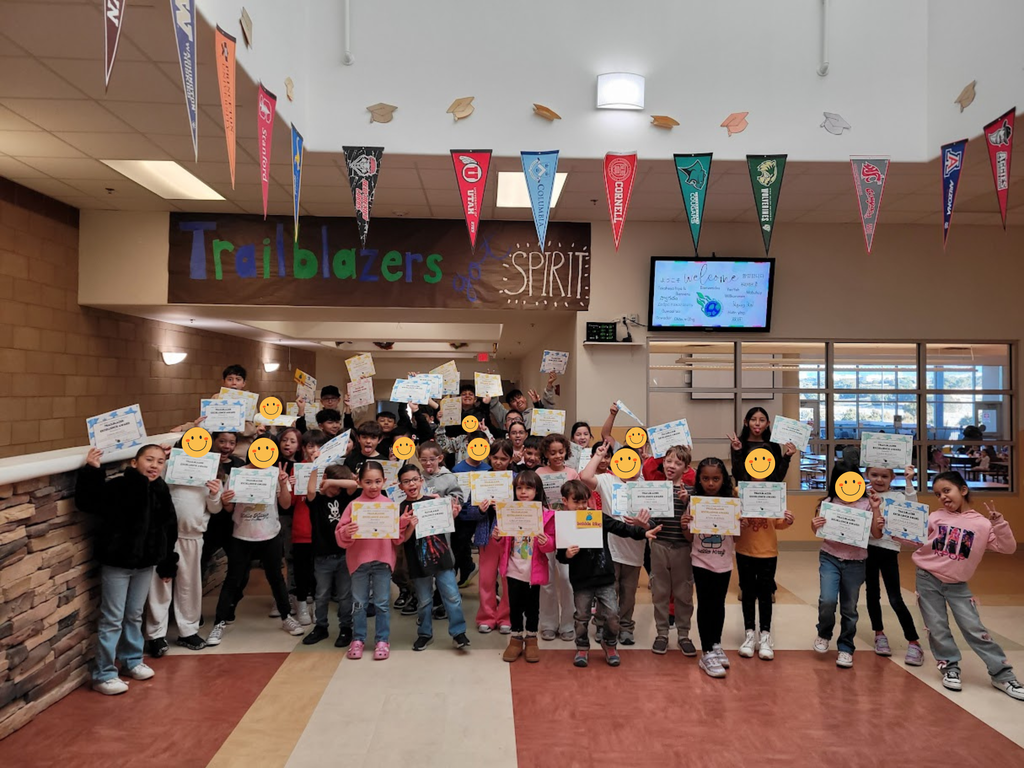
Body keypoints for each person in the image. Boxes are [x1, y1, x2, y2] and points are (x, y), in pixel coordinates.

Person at [905, 472, 1022, 700]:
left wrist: (999, 523)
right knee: (937, 628)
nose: (942, 497)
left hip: (958, 585)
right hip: (928, 579)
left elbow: (1008, 548)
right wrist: (893, 528)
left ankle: (1003, 675)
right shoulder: (935, 517)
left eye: (947, 491)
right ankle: (950, 667)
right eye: (938, 494)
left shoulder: (982, 524)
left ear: (963, 490)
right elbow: (914, 539)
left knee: (975, 629)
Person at [76, 445, 178, 695]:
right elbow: (88, 501)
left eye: (160, 461)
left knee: (133, 614)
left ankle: (132, 660)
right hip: (117, 562)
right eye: (149, 460)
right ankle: (103, 674)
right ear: (135, 462)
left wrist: (166, 561)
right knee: (112, 618)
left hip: (145, 564)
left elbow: (168, 526)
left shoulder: (161, 489)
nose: (154, 465)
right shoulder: (119, 487)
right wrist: (92, 470)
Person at [206, 443, 303, 647]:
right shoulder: (237, 474)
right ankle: (220, 621)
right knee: (233, 579)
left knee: (276, 577)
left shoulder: (275, 473)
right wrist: (225, 500)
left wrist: (283, 483)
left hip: (270, 535)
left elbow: (285, 504)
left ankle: (287, 617)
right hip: (242, 535)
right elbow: (229, 507)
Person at [557, 479, 659, 668]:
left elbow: (620, 528)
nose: (581, 506)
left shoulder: (597, 517)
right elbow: (560, 556)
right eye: (576, 502)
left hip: (605, 578)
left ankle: (609, 644)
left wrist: (642, 533)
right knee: (581, 617)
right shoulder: (564, 523)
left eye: (584, 502)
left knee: (612, 615)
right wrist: (567, 554)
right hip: (581, 581)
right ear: (565, 501)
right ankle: (582, 647)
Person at [145, 439, 223, 656]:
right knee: (159, 585)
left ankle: (188, 630)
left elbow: (214, 509)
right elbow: (154, 489)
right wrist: (164, 460)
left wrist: (215, 493)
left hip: (193, 536)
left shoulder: (210, 472)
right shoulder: (170, 466)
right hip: (164, 535)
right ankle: (155, 635)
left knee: (189, 585)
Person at [810, 462, 884, 668]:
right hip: (830, 557)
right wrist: (814, 524)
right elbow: (818, 531)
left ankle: (846, 646)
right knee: (827, 599)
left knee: (849, 608)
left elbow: (877, 534)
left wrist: (876, 510)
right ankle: (824, 633)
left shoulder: (867, 503)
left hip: (856, 561)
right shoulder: (829, 501)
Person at [336, 461, 409, 661]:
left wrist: (402, 523)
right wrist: (346, 531)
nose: (373, 486)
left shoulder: (389, 505)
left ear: (384, 481)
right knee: (359, 603)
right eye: (368, 482)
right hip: (358, 562)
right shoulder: (353, 506)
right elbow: (340, 535)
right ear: (359, 482)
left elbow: (396, 539)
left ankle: (382, 640)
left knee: (382, 603)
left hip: (383, 562)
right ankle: (358, 639)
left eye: (377, 481)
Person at [395, 464, 471, 651]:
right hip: (418, 562)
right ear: (400, 486)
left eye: (414, 479)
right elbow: (401, 539)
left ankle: (458, 632)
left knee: (452, 596)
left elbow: (446, 523)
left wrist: (452, 514)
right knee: (424, 600)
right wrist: (410, 524)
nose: (411, 484)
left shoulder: (434, 500)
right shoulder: (401, 508)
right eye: (406, 481)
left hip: (442, 558)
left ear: (421, 481)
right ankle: (425, 633)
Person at [580, 441, 648, 646]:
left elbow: (654, 518)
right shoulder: (608, 481)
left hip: (635, 549)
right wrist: (599, 455)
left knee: (628, 592)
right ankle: (602, 624)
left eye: (633, 461)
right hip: (610, 549)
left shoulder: (645, 486)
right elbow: (584, 477)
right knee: (608, 590)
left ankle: (626, 626)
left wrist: (642, 524)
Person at [681, 458, 739, 678]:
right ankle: (706, 652)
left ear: (723, 479)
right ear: (699, 479)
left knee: (719, 604)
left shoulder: (730, 501)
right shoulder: (695, 501)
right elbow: (689, 537)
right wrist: (684, 524)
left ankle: (716, 644)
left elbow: (736, 541)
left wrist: (738, 526)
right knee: (706, 605)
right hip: (701, 560)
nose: (711, 483)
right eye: (705, 478)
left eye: (716, 478)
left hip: (723, 562)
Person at [864, 464, 925, 666]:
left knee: (895, 597)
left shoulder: (899, 497)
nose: (879, 480)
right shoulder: (863, 494)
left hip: (889, 550)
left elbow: (913, 508)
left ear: (892, 478)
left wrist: (909, 480)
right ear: (867, 475)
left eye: (884, 476)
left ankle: (913, 641)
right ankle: (879, 633)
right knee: (872, 594)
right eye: (874, 475)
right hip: (867, 549)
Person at [495, 470, 556, 663]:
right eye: (519, 488)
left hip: (533, 570)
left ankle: (531, 638)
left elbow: (551, 545)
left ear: (537, 491)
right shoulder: (508, 511)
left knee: (532, 607)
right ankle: (515, 638)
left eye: (528, 488)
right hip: (513, 568)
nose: (523, 492)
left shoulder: (547, 515)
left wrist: (545, 541)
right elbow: (502, 542)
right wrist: (497, 535)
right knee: (514, 605)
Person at [736, 477, 795, 661]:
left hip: (768, 552)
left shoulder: (775, 492)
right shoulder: (739, 491)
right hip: (744, 550)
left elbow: (778, 523)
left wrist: (787, 521)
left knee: (765, 594)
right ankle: (749, 633)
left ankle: (765, 635)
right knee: (747, 592)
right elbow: (732, 517)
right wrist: (739, 521)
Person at [302, 464, 359, 647]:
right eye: (334, 487)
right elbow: (310, 489)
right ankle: (321, 627)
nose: (336, 490)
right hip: (322, 556)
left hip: (344, 554)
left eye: (338, 486)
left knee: (344, 595)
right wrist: (316, 470)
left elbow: (353, 485)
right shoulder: (316, 500)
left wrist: (331, 482)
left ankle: (345, 628)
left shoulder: (344, 496)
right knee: (322, 594)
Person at [649, 445, 696, 656]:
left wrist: (688, 503)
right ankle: (662, 634)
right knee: (660, 591)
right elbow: (651, 519)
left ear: (686, 468)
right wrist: (643, 524)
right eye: (668, 461)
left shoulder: (692, 492)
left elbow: (697, 521)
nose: (671, 466)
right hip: (659, 546)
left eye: (678, 463)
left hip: (683, 548)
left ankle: (684, 634)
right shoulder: (656, 490)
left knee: (683, 593)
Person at [417, 440, 467, 621]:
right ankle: (426, 607)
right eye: (423, 460)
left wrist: (444, 500)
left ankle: (448, 604)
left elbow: (458, 497)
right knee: (425, 566)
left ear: (440, 458)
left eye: (432, 459)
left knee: (445, 565)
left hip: (442, 531)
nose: (428, 463)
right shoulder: (418, 478)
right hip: (421, 532)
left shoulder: (449, 477)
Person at [535, 434, 578, 641]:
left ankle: (568, 623)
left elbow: (580, 500)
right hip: (546, 530)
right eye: (552, 453)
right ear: (545, 453)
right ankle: (549, 623)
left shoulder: (572, 473)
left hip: (568, 530)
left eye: (561, 452)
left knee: (567, 579)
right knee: (548, 579)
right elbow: (534, 501)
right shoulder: (539, 473)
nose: (557, 456)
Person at [473, 440, 515, 634]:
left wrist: (507, 508)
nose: (499, 462)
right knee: (486, 579)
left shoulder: (516, 479)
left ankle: (506, 616)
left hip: (510, 536)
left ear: (510, 459)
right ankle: (487, 616)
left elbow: (525, 507)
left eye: (503, 459)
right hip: (486, 535)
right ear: (489, 457)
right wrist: (480, 511)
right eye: (495, 458)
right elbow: (468, 511)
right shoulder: (481, 479)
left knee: (507, 578)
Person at [286, 430, 325, 626]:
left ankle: (318, 606)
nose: (314, 450)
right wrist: (288, 486)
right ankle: (301, 604)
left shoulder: (329, 469)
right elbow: (291, 502)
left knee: (319, 572)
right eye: (310, 446)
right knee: (301, 570)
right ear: (304, 449)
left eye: (319, 446)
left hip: (322, 529)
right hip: (302, 527)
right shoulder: (297, 468)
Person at [450, 430, 492, 587]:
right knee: (460, 545)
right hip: (463, 515)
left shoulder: (488, 469)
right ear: (468, 446)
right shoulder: (457, 469)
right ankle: (466, 569)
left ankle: (481, 579)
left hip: (483, 515)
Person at [727, 407, 796, 483]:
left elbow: (778, 477)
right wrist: (737, 451)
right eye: (753, 420)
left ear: (767, 424)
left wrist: (787, 456)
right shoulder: (738, 444)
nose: (757, 423)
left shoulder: (773, 445)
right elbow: (738, 475)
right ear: (746, 422)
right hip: (745, 491)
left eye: (762, 420)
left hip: (769, 492)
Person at [489, 373, 558, 432]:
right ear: (510, 406)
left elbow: (548, 412)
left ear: (524, 398)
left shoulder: (534, 412)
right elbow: (494, 404)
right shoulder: (506, 416)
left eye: (519, 397)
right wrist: (491, 384)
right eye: (513, 401)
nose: (518, 401)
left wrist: (549, 385)